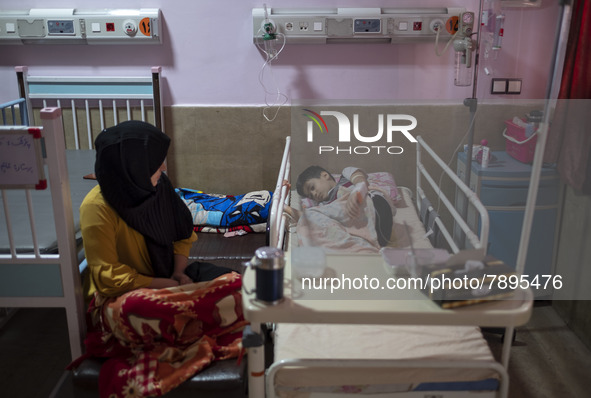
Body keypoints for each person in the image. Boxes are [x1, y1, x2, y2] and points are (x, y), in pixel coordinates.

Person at [73, 120, 246, 398]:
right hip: (123, 297)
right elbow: (108, 277)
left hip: (168, 276)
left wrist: (178, 273)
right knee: (138, 307)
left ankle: (190, 317)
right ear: (131, 165)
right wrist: (167, 284)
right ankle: (201, 315)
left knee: (243, 283)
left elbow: (182, 232)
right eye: (156, 163)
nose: (163, 168)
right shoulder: (97, 208)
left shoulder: (158, 188)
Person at [293, 165, 394, 247]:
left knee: (312, 215)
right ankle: (363, 248)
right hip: (375, 236)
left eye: (312, 187)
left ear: (325, 175)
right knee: (314, 225)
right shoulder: (324, 206)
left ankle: (295, 213)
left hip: (376, 208)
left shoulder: (345, 177)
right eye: (311, 196)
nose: (314, 194)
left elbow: (360, 179)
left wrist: (357, 191)